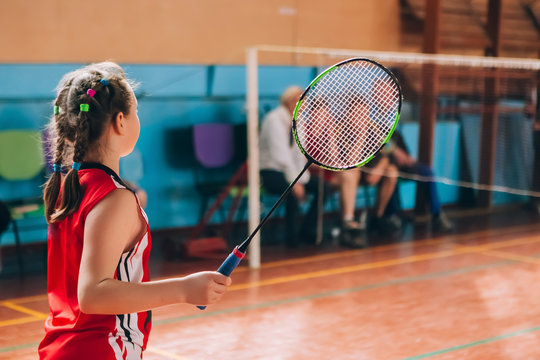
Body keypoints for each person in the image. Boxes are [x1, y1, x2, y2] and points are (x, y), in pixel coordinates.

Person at [38, 62, 231, 360]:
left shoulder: (66, 188)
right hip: (102, 349)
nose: (137, 118)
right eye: (136, 111)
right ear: (120, 122)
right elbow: (93, 294)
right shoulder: (115, 198)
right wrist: (183, 289)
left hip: (61, 348)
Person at [259, 86, 331, 247]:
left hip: (292, 171)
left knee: (323, 187)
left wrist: (302, 178)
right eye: (300, 101)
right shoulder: (274, 119)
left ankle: (308, 229)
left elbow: (300, 153)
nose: (303, 105)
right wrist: (295, 182)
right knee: (291, 191)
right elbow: (281, 155)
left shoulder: (299, 121)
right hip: (271, 171)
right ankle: (291, 238)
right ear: (291, 101)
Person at [385, 130, 454, 232]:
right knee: (391, 175)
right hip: (386, 166)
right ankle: (391, 216)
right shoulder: (372, 132)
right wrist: (393, 150)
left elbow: (405, 155)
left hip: (403, 166)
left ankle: (437, 214)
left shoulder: (394, 133)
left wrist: (407, 159)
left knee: (426, 171)